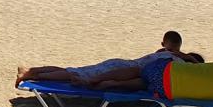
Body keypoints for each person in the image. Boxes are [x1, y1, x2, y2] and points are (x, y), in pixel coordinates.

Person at [16, 30, 186, 85]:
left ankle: (33, 70)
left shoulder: (160, 53)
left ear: (164, 43)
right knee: (74, 75)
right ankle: (34, 75)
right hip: (120, 69)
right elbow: (178, 55)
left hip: (120, 63)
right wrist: (189, 59)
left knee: (74, 70)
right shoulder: (170, 57)